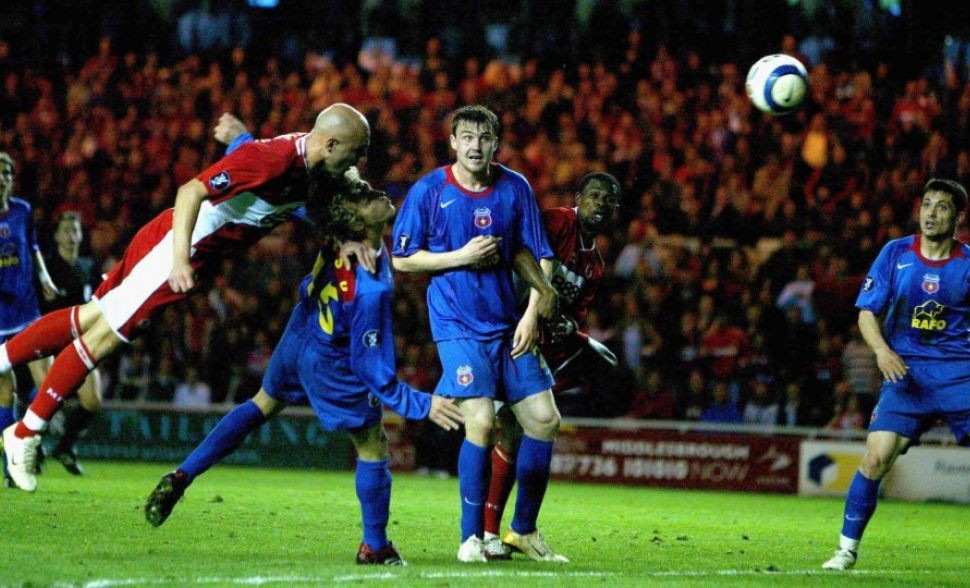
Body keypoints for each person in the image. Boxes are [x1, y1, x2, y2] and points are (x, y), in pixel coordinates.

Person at [0, 104, 375, 492]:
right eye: (357, 151)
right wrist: (180, 260)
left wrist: (341, 238)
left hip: (178, 245)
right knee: (102, 339)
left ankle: (3, 363)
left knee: (91, 317)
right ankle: (26, 433)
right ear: (331, 144)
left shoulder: (306, 167)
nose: (359, 161)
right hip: (179, 247)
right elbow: (191, 190)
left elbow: (295, 200)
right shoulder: (275, 160)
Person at [145, 187, 465, 566]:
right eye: (366, 198)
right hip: (331, 359)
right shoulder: (370, 288)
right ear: (359, 221)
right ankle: (375, 545)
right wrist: (423, 404)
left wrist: (337, 236)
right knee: (372, 444)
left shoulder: (336, 234)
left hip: (301, 333)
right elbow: (372, 369)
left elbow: (299, 201)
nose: (376, 192)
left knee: (262, 405)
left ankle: (183, 474)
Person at [391, 105, 567, 563]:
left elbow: (537, 253)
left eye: (484, 138)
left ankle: (522, 531)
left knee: (544, 420)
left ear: (496, 144)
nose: (475, 146)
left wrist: (532, 312)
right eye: (467, 137)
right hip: (457, 326)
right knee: (483, 421)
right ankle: (471, 539)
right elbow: (402, 258)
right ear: (453, 142)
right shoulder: (429, 191)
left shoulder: (515, 187)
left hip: (509, 325)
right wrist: (461, 256)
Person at [822, 178, 970, 571]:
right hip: (905, 374)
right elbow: (866, 313)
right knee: (875, 458)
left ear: (958, 217)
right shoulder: (895, 253)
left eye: (941, 207)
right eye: (926, 204)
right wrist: (881, 351)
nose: (931, 213)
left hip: (958, 374)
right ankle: (845, 551)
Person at [482, 171, 622, 559]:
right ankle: (514, 530)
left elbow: (574, 312)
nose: (599, 203)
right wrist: (537, 301)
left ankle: (492, 534)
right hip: (508, 327)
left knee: (514, 431)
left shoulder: (595, 266)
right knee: (530, 423)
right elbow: (522, 255)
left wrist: (569, 325)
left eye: (607, 200)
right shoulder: (558, 222)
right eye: (593, 195)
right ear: (578, 197)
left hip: (535, 342)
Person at [0, 152, 58, 484]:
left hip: (27, 311)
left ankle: (25, 434)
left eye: (7, 173)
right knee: (4, 392)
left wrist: (45, 277)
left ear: (12, 179)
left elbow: (33, 246)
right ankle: (10, 463)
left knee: (49, 382)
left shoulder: (22, 210)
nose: (2, 178)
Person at [39, 211, 103, 476]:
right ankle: (32, 448)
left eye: (75, 230)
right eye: (65, 230)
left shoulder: (89, 267)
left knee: (92, 400)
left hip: (79, 343)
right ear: (56, 236)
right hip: (47, 342)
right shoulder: (46, 268)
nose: (71, 236)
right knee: (45, 399)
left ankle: (65, 446)